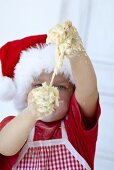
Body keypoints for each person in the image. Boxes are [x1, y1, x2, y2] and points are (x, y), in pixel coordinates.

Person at [0, 21, 100, 170]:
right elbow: (4, 147)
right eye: (38, 85)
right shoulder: (16, 126)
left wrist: (75, 51)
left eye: (60, 87)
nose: (48, 90)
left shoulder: (76, 127)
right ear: (25, 92)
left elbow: (89, 91)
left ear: (73, 93)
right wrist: (30, 114)